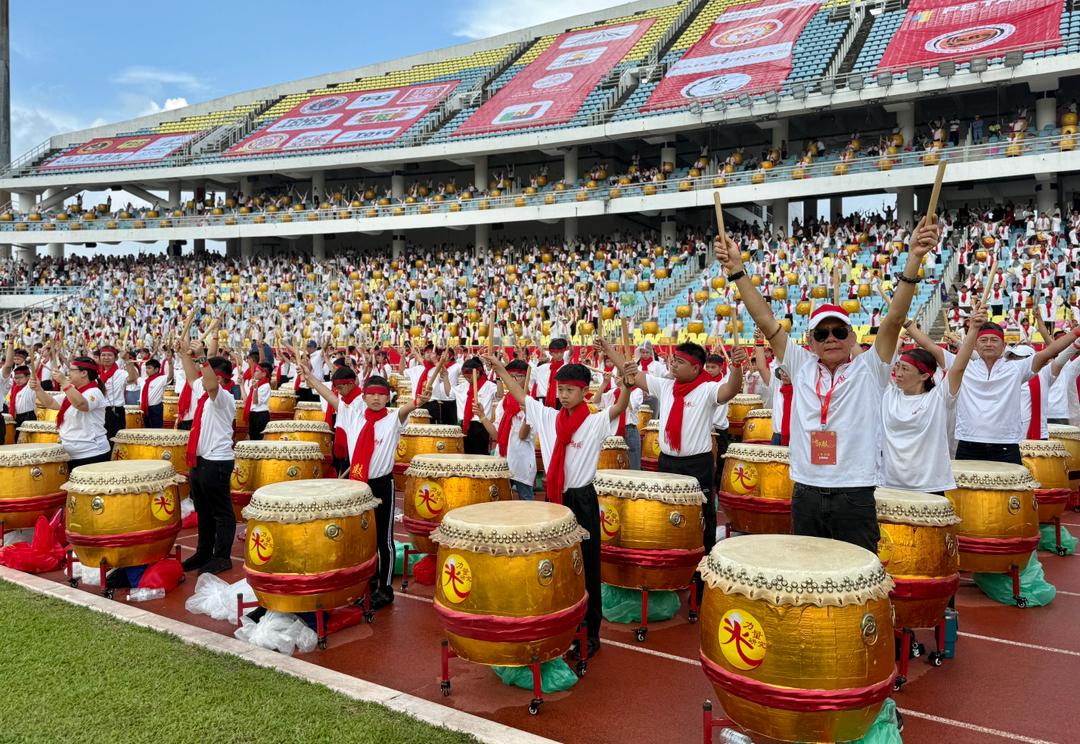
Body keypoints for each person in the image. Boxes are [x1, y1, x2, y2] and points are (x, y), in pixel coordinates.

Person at [713, 216, 940, 553]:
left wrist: (914, 259)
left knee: (859, 575)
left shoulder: (871, 367)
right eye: (822, 333)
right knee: (810, 579)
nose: (830, 339)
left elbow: (893, 318)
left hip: (856, 490)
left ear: (853, 336)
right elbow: (764, 319)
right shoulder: (800, 364)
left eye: (839, 332)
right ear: (811, 340)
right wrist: (737, 270)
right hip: (806, 488)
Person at [484, 353, 631, 660]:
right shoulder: (548, 417)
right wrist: (499, 369)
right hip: (555, 501)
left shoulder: (594, 422)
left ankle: (591, 633)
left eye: (570, 390)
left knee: (587, 567)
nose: (563, 396)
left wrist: (627, 385)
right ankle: (563, 625)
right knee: (559, 566)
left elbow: (618, 407)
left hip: (581, 499)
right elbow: (521, 395)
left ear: (584, 392)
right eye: (560, 390)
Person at [601, 338, 745, 592]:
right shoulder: (666, 386)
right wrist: (610, 350)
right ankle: (674, 569)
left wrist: (736, 367)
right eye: (673, 360)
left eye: (679, 362)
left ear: (696, 367)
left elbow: (730, 391)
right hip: (668, 462)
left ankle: (703, 573)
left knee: (702, 519)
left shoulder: (708, 389)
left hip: (696, 465)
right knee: (668, 518)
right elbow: (630, 371)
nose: (673, 365)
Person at [300, 362, 427, 611]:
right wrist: (311, 379)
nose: (377, 399)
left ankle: (386, 588)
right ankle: (368, 582)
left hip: (381, 485)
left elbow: (407, 409)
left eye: (381, 395)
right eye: (372, 394)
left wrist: (418, 402)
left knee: (384, 540)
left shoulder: (392, 420)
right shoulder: (353, 415)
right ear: (364, 395)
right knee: (363, 539)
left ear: (387, 397)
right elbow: (330, 396)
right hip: (358, 486)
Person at [880, 303, 983, 494]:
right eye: (897, 368)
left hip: (929, 487)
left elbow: (959, 366)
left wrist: (974, 329)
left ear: (925, 376)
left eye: (905, 369)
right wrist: (898, 329)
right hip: (889, 485)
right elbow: (878, 359)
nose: (898, 374)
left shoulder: (939, 398)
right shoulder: (888, 394)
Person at [952, 320, 1078, 463]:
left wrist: (1076, 333)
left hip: (1010, 443)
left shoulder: (1021, 370)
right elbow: (938, 349)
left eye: (994, 340)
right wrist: (970, 332)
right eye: (983, 340)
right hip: (971, 443)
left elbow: (1051, 351)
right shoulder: (968, 369)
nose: (988, 344)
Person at [176, 312, 238, 576]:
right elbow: (194, 377)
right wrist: (183, 351)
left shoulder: (222, 396)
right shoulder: (203, 389)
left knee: (221, 510)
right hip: (200, 459)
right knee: (202, 508)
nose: (202, 379)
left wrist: (201, 357)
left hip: (217, 460)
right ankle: (203, 552)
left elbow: (210, 383)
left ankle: (222, 556)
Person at [30, 352, 110, 469]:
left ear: (84, 373)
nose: (68, 373)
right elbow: (50, 403)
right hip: (71, 453)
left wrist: (64, 382)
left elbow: (82, 404)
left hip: (91, 452)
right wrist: (38, 389)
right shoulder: (73, 392)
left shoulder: (94, 392)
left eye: (72, 370)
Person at [479, 359, 535, 499]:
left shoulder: (532, 404)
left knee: (526, 503)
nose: (514, 380)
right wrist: (482, 416)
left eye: (519, 376)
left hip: (522, 461)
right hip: (503, 459)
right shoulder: (504, 403)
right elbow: (497, 435)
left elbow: (523, 436)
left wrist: (529, 415)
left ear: (526, 377)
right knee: (502, 501)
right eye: (511, 377)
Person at [455, 356, 496, 455]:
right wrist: (446, 376)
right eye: (465, 376)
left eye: (470, 376)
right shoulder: (462, 387)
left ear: (478, 372)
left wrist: (498, 376)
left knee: (480, 456)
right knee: (465, 455)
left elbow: (499, 394)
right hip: (465, 425)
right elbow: (448, 393)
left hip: (481, 425)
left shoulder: (489, 386)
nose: (468, 379)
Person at [2, 341, 37, 443]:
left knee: (27, 443)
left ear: (28, 377)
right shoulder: (15, 388)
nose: (17, 380)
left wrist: (30, 357)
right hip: (18, 416)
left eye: (20, 378)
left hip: (28, 416)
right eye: (15, 378)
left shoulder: (30, 387)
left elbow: (33, 374)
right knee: (17, 440)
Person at [97, 345, 128, 445]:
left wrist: (127, 360)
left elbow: (132, 379)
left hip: (114, 411)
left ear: (115, 358)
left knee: (113, 441)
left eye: (109, 355)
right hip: (98, 411)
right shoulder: (96, 374)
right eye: (103, 355)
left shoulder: (120, 373)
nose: (106, 358)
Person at [533, 338, 569, 409]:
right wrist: (537, 341)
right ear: (550, 353)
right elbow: (542, 351)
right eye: (556, 352)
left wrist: (570, 343)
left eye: (561, 352)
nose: (559, 355)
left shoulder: (566, 368)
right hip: (546, 399)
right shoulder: (542, 368)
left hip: (562, 399)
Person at [243, 361, 272, 440]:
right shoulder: (257, 384)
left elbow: (255, 401)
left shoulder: (265, 386)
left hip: (260, 415)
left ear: (264, 374)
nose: (255, 373)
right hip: (254, 414)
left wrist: (255, 389)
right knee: (253, 437)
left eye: (257, 371)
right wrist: (241, 385)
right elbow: (246, 399)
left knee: (258, 439)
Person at [137, 358, 168, 429]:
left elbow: (170, 376)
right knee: (146, 428)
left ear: (156, 369)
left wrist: (169, 362)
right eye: (146, 368)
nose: (147, 370)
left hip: (155, 408)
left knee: (156, 429)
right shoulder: (144, 380)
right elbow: (134, 379)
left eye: (149, 368)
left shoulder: (161, 378)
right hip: (144, 407)